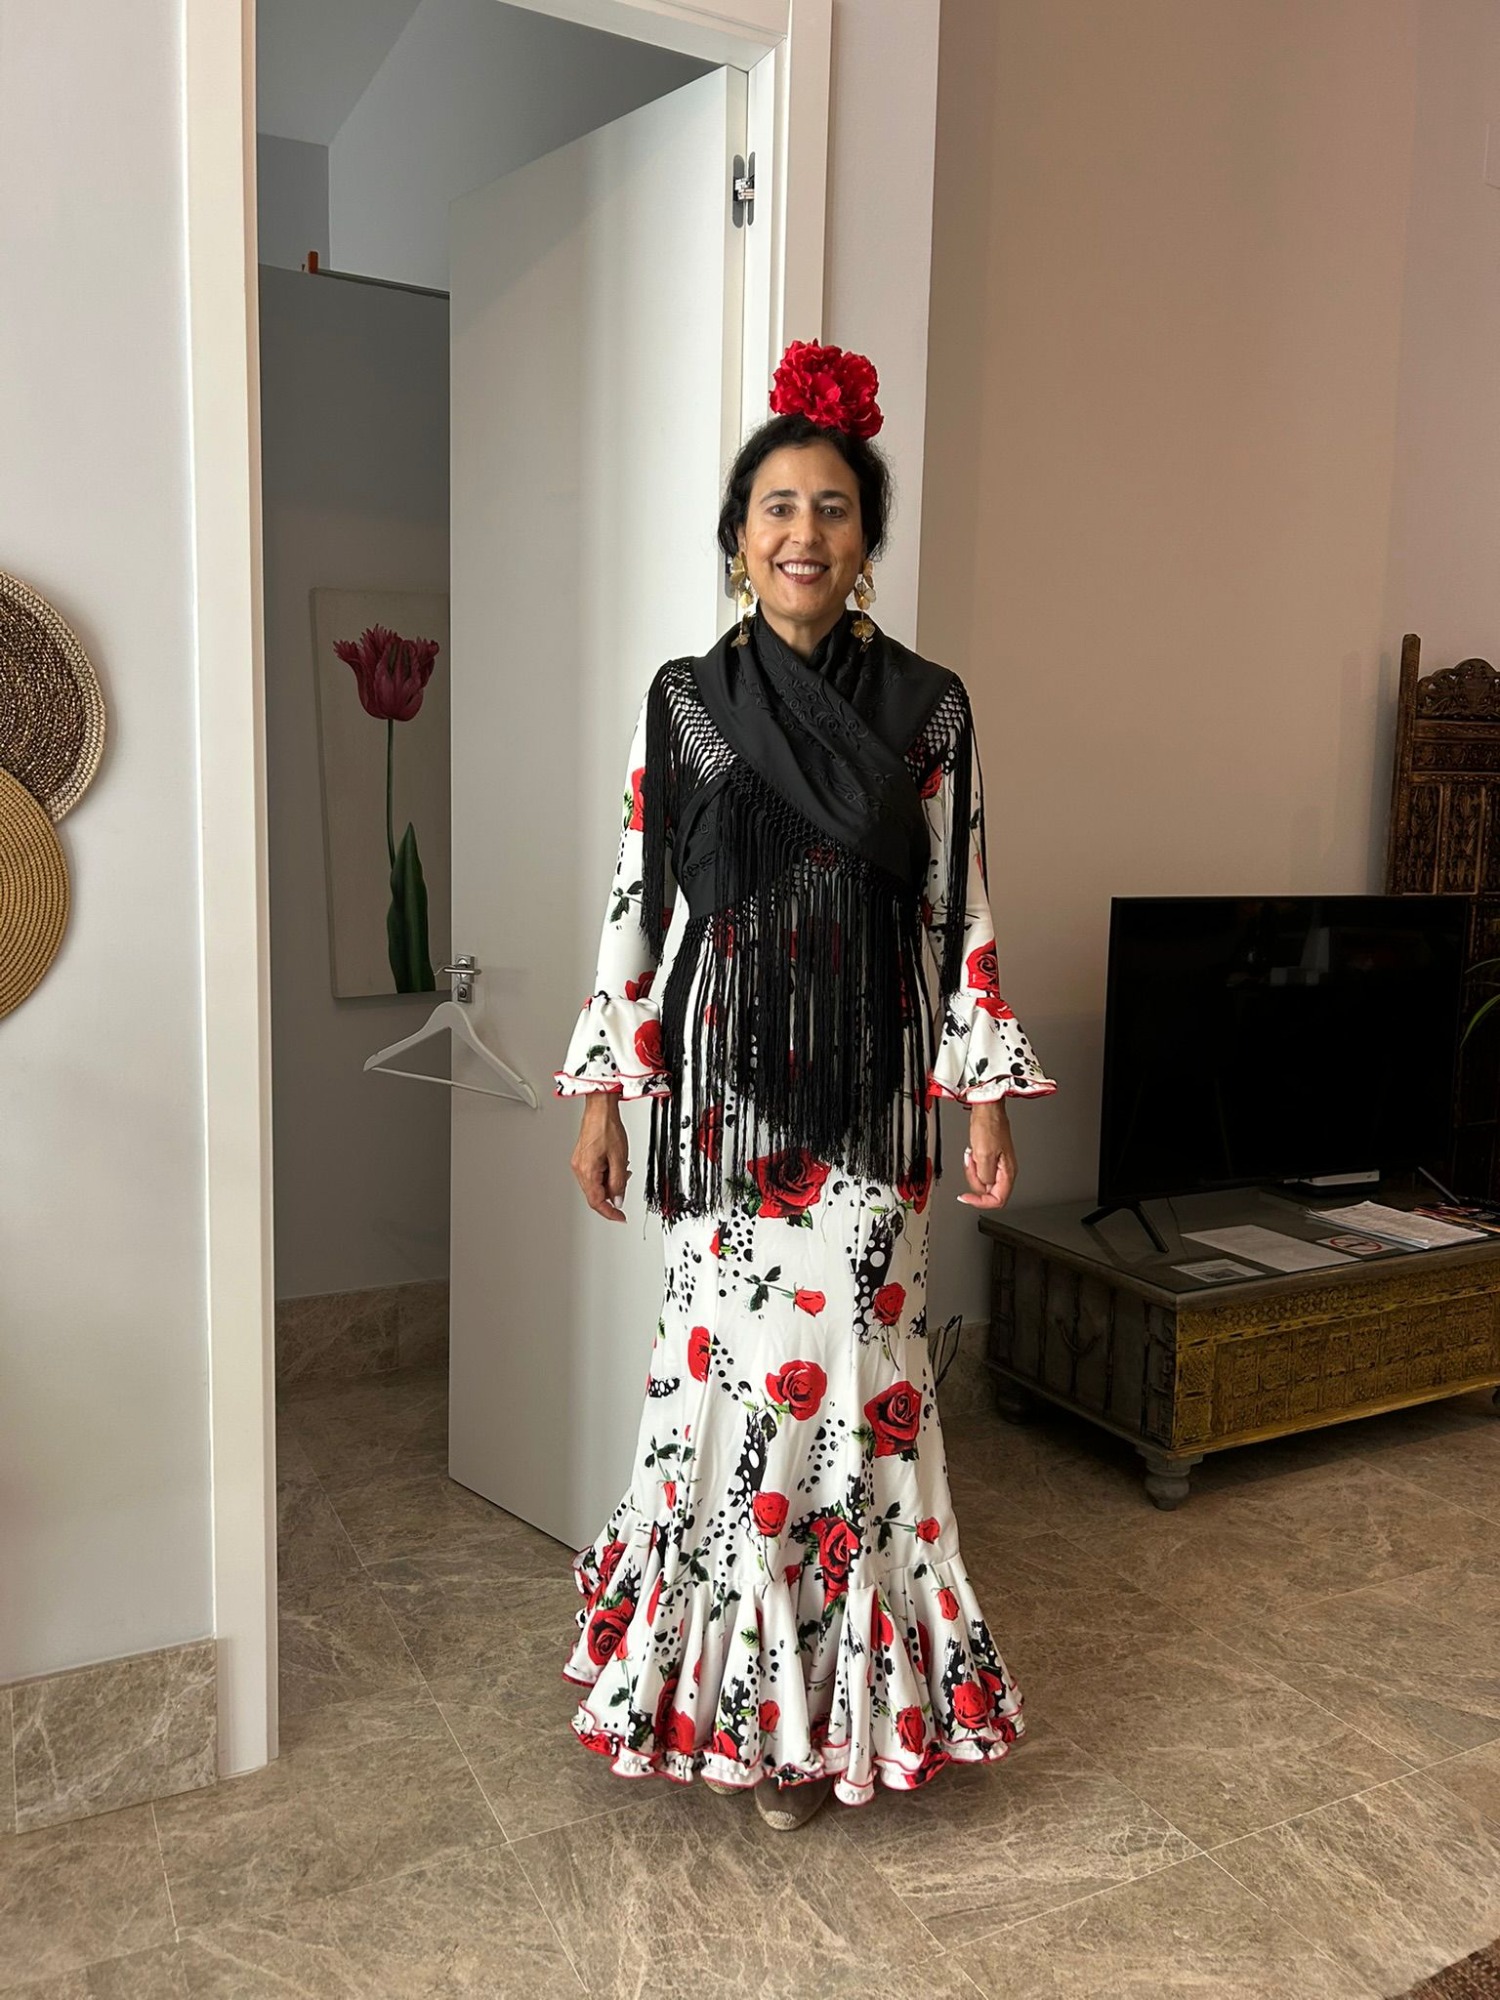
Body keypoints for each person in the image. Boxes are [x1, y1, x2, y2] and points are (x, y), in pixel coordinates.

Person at [555, 341, 1055, 1831]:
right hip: (722, 1112)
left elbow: (959, 907)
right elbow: (638, 896)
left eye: (834, 507)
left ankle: (830, 1724)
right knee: (721, 1393)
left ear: (866, 538)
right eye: (777, 505)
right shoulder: (686, 703)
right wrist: (605, 1096)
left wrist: (978, 1096)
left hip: (873, 1109)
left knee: (857, 1392)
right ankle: (744, 1722)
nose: (803, 532)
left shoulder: (930, 708)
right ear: (737, 534)